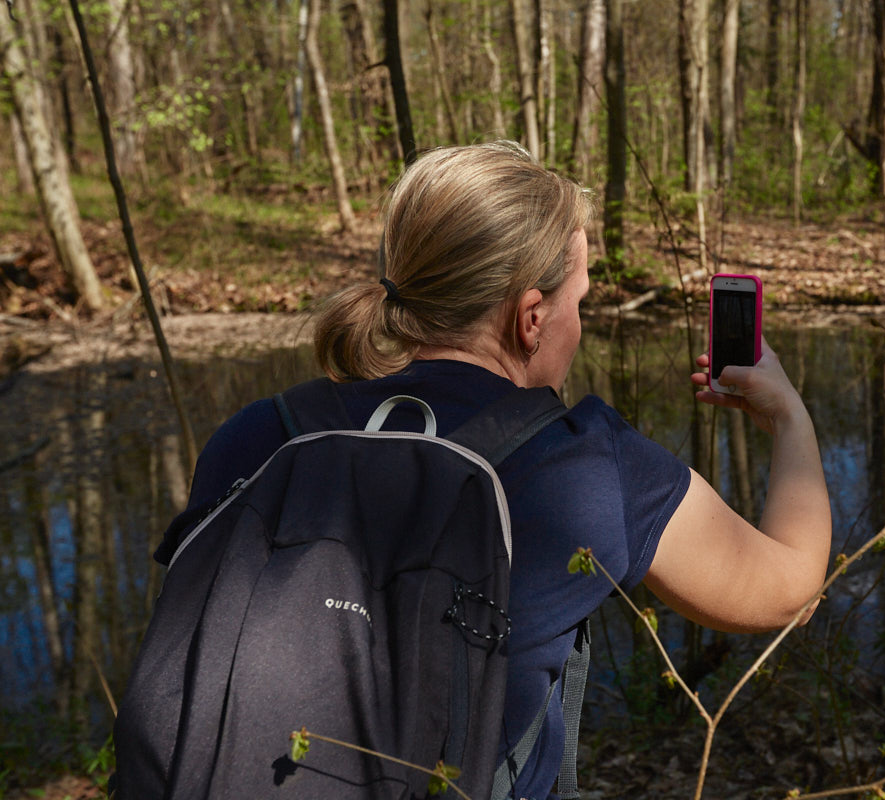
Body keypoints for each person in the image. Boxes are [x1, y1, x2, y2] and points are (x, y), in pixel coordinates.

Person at [145, 141, 831, 799]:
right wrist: (790, 421)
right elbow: (788, 588)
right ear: (531, 317)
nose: (579, 322)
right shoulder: (586, 465)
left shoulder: (257, 437)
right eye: (579, 302)